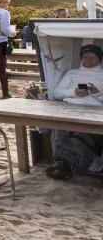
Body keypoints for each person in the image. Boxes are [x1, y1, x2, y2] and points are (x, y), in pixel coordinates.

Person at [46, 43, 103, 179]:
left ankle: (64, 164)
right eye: (85, 57)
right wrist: (73, 92)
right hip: (70, 107)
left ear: (99, 59)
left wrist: (97, 94)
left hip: (95, 110)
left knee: (73, 132)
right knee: (59, 127)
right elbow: (57, 93)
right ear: (80, 58)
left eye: (93, 58)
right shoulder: (72, 73)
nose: (88, 60)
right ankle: (88, 164)